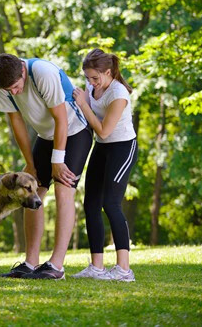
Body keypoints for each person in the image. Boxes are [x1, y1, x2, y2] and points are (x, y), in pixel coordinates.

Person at [0, 53, 92, 280]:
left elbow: (61, 119)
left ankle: (56, 267)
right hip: (46, 135)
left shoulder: (43, 73)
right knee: (30, 192)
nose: (14, 93)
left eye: (16, 87)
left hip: (75, 130)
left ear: (23, 71)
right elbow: (16, 121)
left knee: (63, 189)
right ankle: (31, 263)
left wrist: (58, 161)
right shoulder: (5, 83)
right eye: (9, 90)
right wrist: (30, 163)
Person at [71, 49, 138, 282]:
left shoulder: (118, 94)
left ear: (108, 72)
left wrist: (83, 104)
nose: (90, 83)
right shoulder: (92, 86)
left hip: (122, 148)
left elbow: (104, 129)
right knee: (90, 204)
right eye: (88, 78)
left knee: (111, 204)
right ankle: (96, 267)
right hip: (102, 147)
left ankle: (124, 270)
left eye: (95, 78)